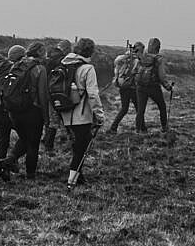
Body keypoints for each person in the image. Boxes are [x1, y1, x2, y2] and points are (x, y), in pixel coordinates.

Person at [58, 38, 105, 188]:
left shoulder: (64, 64)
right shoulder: (88, 69)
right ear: (90, 51)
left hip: (64, 112)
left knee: (76, 145)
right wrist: (99, 115)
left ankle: (79, 176)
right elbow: (93, 94)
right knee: (81, 148)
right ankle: (72, 181)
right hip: (82, 115)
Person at [0, 42, 50, 179]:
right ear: (40, 52)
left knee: (24, 139)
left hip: (14, 111)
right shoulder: (39, 69)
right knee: (33, 144)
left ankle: (10, 159)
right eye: (44, 52)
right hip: (32, 111)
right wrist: (46, 118)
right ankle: (30, 175)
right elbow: (43, 95)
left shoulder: (16, 65)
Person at [0, 45, 25, 181]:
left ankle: (2, 168)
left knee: (3, 142)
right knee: (25, 139)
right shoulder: (18, 69)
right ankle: (11, 161)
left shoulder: (0, 68)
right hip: (11, 112)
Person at [134, 37, 174, 134]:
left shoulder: (142, 56)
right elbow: (162, 76)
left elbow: (135, 70)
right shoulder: (158, 59)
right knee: (162, 106)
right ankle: (164, 127)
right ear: (158, 47)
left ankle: (138, 130)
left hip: (140, 87)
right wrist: (168, 87)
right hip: (153, 87)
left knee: (140, 110)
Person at [42, 39, 73, 153]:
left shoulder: (48, 59)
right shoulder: (64, 60)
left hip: (48, 93)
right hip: (61, 93)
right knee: (66, 119)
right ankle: (50, 146)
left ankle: (46, 141)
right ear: (66, 49)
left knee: (52, 120)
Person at [107, 41, 143, 133]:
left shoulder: (123, 59)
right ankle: (142, 128)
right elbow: (137, 74)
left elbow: (117, 71)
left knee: (124, 109)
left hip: (123, 86)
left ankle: (113, 127)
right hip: (132, 87)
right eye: (142, 50)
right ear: (138, 50)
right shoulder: (136, 60)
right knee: (139, 108)